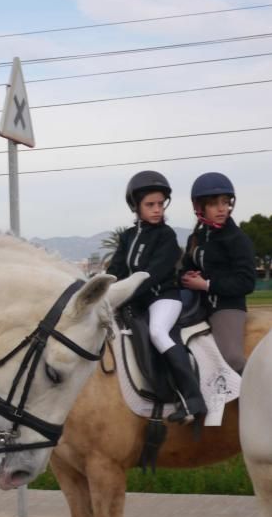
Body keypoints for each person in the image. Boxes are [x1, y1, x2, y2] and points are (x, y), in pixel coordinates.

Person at [107, 170, 207, 423]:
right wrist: (103, 290)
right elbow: (116, 270)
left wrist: (124, 295)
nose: (157, 209)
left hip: (164, 298)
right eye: (150, 204)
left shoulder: (167, 236)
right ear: (136, 206)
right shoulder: (128, 237)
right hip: (137, 300)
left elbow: (152, 274)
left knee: (158, 332)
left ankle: (192, 396)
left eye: (160, 204)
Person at [180, 172, 256, 373]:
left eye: (225, 202)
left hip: (226, 307)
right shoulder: (196, 238)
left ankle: (254, 397)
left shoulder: (237, 239)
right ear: (200, 208)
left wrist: (206, 285)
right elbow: (186, 267)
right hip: (197, 305)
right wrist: (186, 277)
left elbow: (247, 282)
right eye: (214, 204)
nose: (222, 208)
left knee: (231, 358)